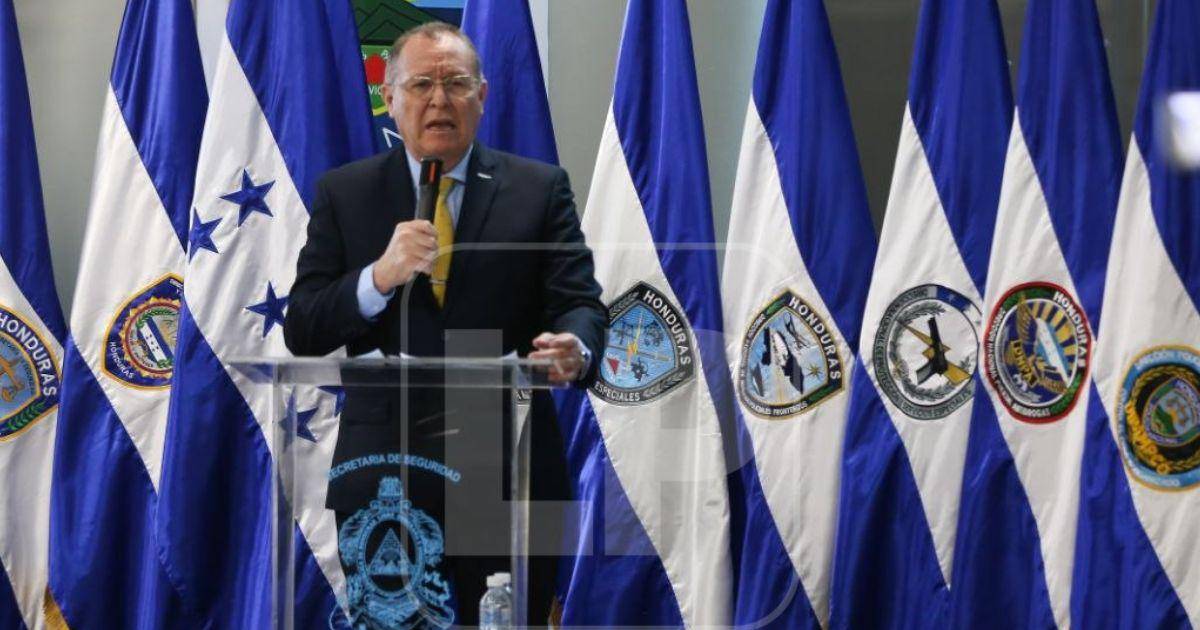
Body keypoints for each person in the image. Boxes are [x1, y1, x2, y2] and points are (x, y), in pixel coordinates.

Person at [283, 22, 605, 628]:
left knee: (504, 617)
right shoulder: (346, 192)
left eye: (456, 84)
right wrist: (379, 276)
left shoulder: (538, 189)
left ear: (482, 96)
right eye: (421, 85)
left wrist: (576, 346)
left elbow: (580, 304)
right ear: (390, 97)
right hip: (385, 459)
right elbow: (303, 326)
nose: (439, 100)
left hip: (503, 453)